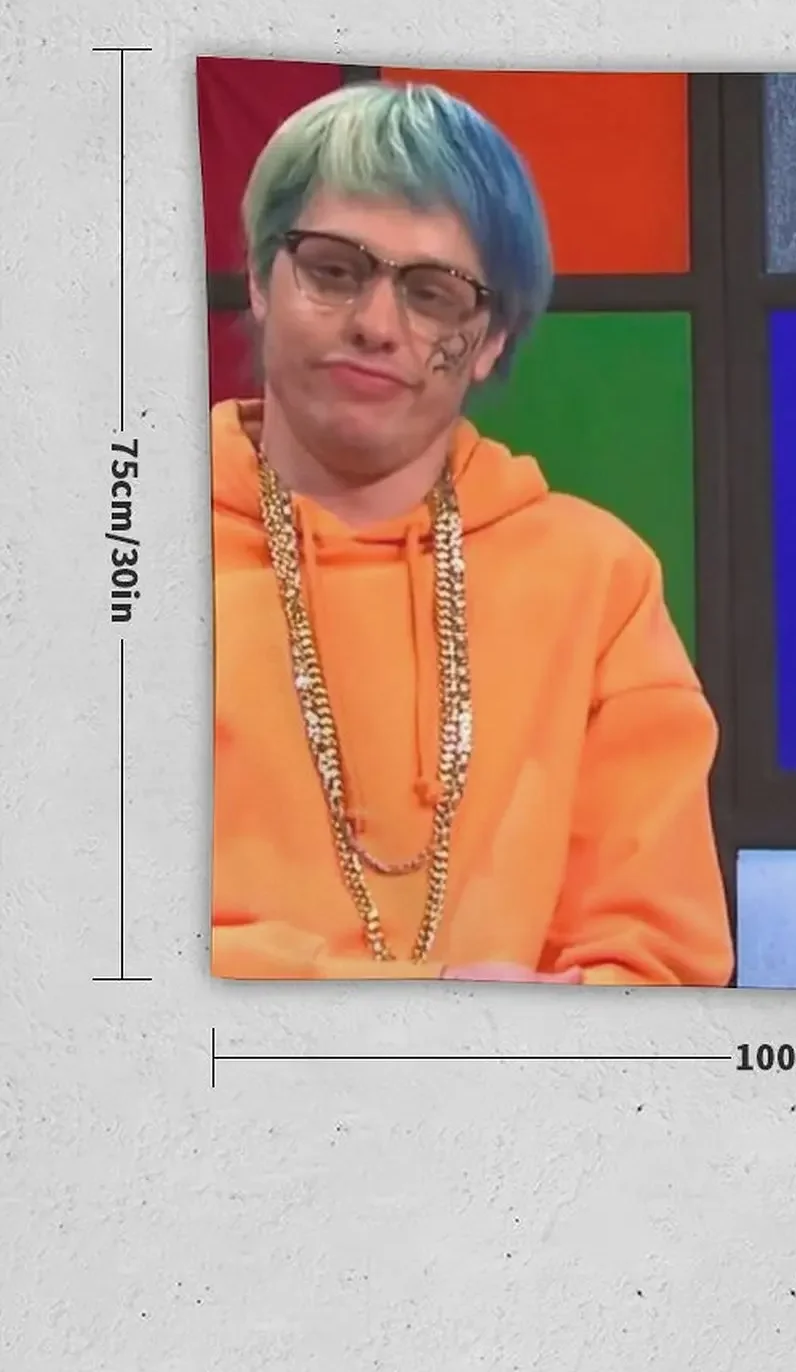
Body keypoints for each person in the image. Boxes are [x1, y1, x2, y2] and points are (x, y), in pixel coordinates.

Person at [209, 80, 733, 984]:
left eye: (432, 294)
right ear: (260, 280)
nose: (376, 325)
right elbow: (89, 942)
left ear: (490, 340)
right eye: (332, 271)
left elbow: (657, 958)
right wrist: (429, 1001)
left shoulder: (597, 579)